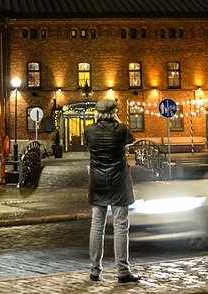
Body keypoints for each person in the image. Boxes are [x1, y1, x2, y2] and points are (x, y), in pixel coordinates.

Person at [86, 98, 139, 283]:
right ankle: (123, 272)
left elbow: (89, 145)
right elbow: (131, 141)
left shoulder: (89, 130)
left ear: (98, 113)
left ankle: (94, 271)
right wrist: (117, 122)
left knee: (96, 226)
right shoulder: (122, 129)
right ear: (113, 112)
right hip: (119, 182)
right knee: (120, 227)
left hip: (98, 182)